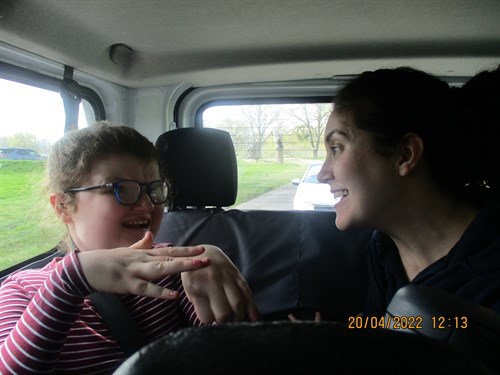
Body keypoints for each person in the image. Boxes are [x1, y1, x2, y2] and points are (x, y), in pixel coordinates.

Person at [0, 122, 259, 374]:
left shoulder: (173, 269)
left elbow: (231, 352)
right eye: (120, 189)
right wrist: (71, 279)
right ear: (63, 207)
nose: (147, 205)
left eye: (154, 189)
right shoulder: (22, 289)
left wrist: (208, 261)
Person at [315, 66, 500, 317]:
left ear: (406, 155)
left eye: (337, 148)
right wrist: (334, 338)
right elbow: (381, 333)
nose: (322, 174)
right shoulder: (383, 249)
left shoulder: (491, 271)